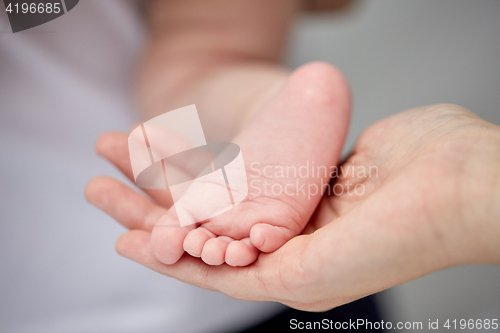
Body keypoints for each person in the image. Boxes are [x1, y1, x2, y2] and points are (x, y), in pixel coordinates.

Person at [86, 0, 500, 313]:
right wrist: (465, 193)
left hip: (292, 275)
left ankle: (265, 107)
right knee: (204, 52)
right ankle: (261, 99)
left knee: (198, 52)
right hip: (305, 282)